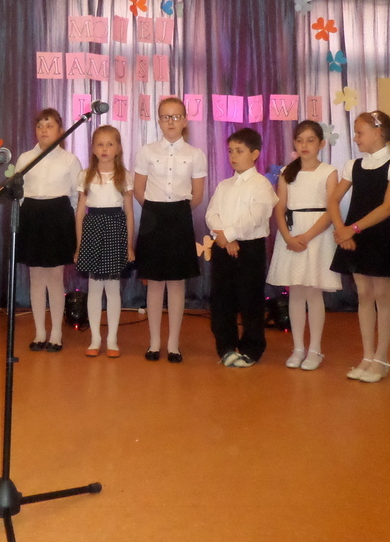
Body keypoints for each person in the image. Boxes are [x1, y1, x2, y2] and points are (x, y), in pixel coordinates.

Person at [328, 110, 390, 383]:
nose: (356, 138)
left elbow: (387, 207)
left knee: (382, 295)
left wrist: (352, 229)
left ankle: (381, 359)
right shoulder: (353, 165)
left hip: (380, 237)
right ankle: (367, 355)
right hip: (355, 237)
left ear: (378, 132)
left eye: (360, 133)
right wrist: (342, 230)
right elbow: (332, 200)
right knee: (363, 294)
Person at [134, 97, 207, 363]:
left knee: (177, 284)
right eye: (165, 117)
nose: (171, 122)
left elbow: (197, 196)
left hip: (180, 217)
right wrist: (155, 212)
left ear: (185, 121)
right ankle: (154, 343)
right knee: (154, 283)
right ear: (159, 121)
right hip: (153, 217)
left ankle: (173, 344)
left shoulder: (195, 154)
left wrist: (177, 212)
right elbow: (139, 190)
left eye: (176, 117)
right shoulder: (146, 151)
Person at [266, 120, 341, 371]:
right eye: (299, 140)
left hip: (316, 235)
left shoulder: (328, 171)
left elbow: (331, 210)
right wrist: (288, 237)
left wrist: (307, 236)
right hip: (292, 233)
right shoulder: (287, 172)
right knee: (296, 291)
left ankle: (315, 349)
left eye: (310, 140)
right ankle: (298, 348)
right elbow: (280, 208)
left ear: (321, 143)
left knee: (313, 291)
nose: (304, 145)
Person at [205, 128, 277, 367]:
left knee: (250, 301)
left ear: (255, 154)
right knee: (222, 300)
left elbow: (255, 216)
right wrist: (225, 239)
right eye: (230, 151)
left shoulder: (261, 185)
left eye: (239, 151)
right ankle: (226, 347)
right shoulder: (224, 185)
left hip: (250, 249)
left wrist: (229, 235)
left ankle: (251, 349)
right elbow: (211, 214)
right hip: (223, 246)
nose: (233, 156)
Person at [15, 108, 82, 352]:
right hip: (32, 215)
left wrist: (66, 221)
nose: (44, 130)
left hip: (58, 216)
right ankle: (39, 332)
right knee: (36, 277)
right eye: (40, 126)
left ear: (60, 131)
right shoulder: (25, 158)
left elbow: (75, 196)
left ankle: (56, 333)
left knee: (54, 277)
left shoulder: (70, 160)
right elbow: (20, 194)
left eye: (50, 125)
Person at [74, 125, 134, 358]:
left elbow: (129, 213)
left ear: (118, 148)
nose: (105, 149)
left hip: (115, 231)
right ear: (93, 148)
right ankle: (95, 339)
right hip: (93, 231)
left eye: (110, 144)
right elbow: (80, 212)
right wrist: (79, 246)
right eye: (100, 144)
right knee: (94, 288)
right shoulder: (86, 175)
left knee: (113, 289)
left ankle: (112, 340)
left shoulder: (124, 176)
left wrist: (129, 245)